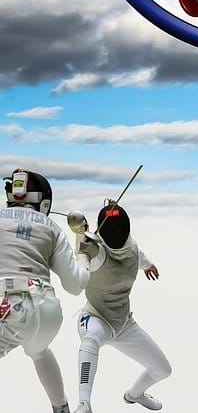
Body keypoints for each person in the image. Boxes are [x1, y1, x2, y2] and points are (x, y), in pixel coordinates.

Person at [2, 169, 93, 413]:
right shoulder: (52, 228)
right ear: (42, 202)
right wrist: (83, 255)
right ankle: (61, 407)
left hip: (8, 308)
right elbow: (75, 285)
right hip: (47, 312)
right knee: (39, 351)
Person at [72, 202, 171, 413]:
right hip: (96, 318)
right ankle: (83, 404)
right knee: (91, 340)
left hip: (125, 324)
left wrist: (148, 265)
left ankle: (134, 395)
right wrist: (80, 235)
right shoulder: (95, 253)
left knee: (163, 370)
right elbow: (82, 265)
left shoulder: (131, 246)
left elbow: (137, 254)